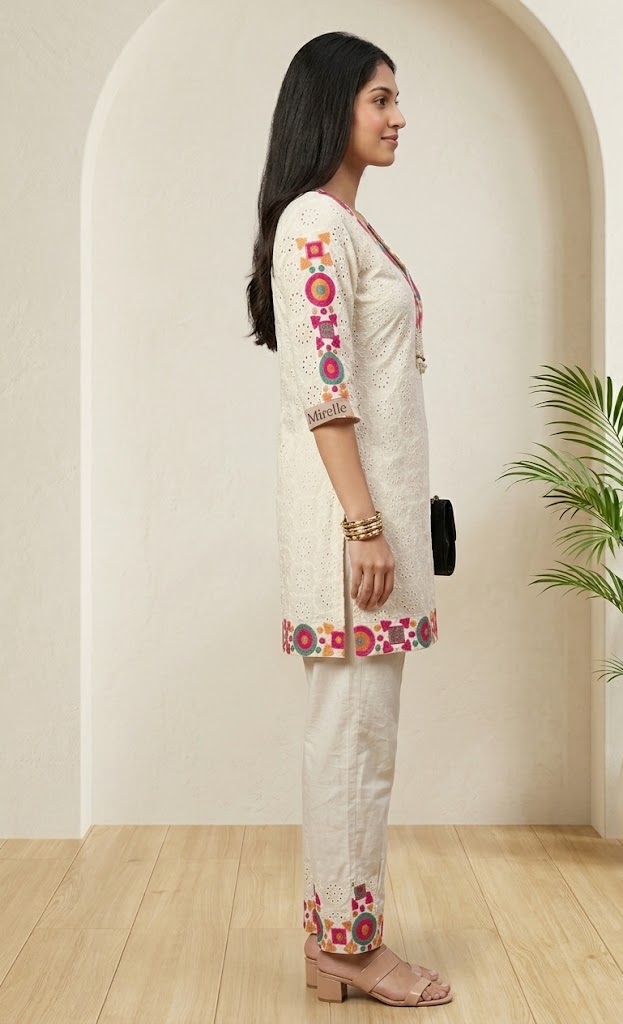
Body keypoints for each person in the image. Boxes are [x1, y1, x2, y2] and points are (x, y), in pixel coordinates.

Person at [245, 30, 452, 1009]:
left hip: (371, 528)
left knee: (363, 740)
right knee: (353, 742)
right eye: (380, 98)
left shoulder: (341, 223)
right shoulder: (312, 226)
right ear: (332, 107)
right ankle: (348, 950)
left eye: (396, 98)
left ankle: (340, 935)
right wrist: (363, 526)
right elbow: (324, 393)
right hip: (350, 540)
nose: (398, 116)